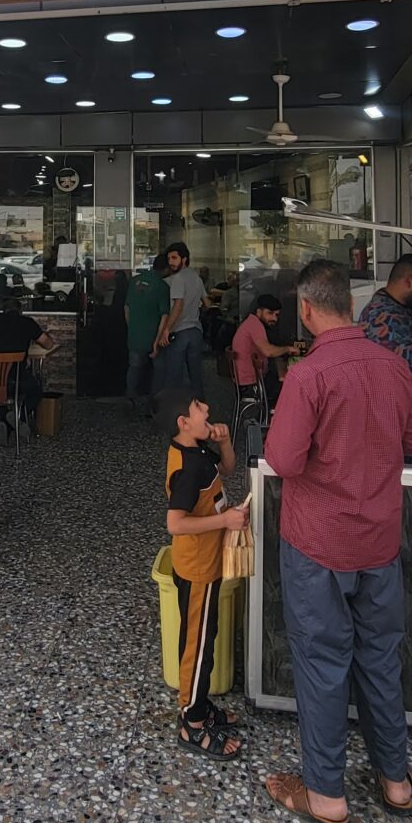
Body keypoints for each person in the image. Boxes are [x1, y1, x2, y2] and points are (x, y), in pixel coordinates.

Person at [263, 258, 412, 823]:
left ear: (305, 310)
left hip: (319, 545)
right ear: (350, 306)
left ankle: (326, 794)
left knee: (324, 662)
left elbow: (282, 460)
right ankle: (395, 780)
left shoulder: (309, 374)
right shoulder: (394, 366)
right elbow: (411, 441)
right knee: (381, 658)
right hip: (379, 540)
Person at [160, 388, 249, 760]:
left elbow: (226, 469)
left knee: (204, 638)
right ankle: (191, 722)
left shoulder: (197, 450)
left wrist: (226, 442)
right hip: (197, 566)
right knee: (196, 647)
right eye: (199, 407)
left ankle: (201, 703)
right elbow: (175, 524)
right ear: (184, 422)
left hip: (206, 563)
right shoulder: (187, 466)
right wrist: (224, 520)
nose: (208, 408)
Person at [358, 257, 412, 428]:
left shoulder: (397, 310)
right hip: (402, 421)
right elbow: (410, 362)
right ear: (408, 282)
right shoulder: (384, 315)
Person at [0, 293, 54, 423]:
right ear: (20, 310)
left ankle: (3, 418)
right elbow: (48, 344)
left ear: (3, 310)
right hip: (17, 379)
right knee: (36, 392)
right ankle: (18, 418)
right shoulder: (27, 322)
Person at [231, 294, 301, 414]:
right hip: (251, 386)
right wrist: (289, 349)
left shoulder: (252, 323)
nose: (274, 318)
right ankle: (279, 423)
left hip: (250, 381)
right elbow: (268, 351)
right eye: (270, 313)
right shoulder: (255, 325)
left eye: (276, 315)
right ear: (259, 311)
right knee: (295, 389)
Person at [125, 253, 171, 418]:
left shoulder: (134, 281)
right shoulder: (162, 287)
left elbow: (127, 308)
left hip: (135, 334)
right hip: (153, 337)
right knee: (159, 370)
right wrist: (158, 340)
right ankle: (153, 406)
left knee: (134, 369)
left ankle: (131, 400)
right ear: (165, 269)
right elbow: (164, 316)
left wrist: (132, 327)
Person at [160, 242, 207, 397]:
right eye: (169, 258)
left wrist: (167, 329)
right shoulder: (196, 278)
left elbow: (178, 305)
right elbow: (207, 303)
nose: (170, 262)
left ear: (184, 259)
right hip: (196, 331)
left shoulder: (178, 278)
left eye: (174, 258)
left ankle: (173, 411)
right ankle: (200, 410)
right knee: (196, 376)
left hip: (179, 332)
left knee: (174, 375)